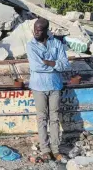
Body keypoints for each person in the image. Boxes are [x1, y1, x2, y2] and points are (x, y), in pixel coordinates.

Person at [26, 18, 70, 162]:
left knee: (55, 118)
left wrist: (48, 62)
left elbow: (65, 65)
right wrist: (55, 64)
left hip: (55, 85)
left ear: (46, 30)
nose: (36, 32)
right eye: (35, 29)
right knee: (42, 118)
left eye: (39, 30)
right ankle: (45, 149)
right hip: (38, 86)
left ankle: (56, 149)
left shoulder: (56, 43)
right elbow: (36, 67)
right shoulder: (31, 45)